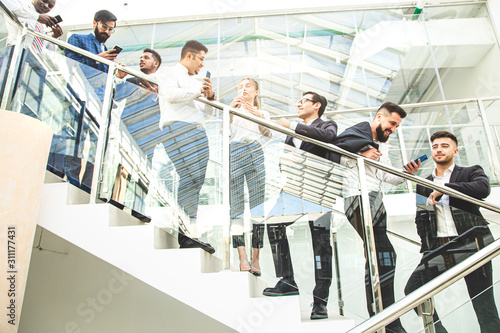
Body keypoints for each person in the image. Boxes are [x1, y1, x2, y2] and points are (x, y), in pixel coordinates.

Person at [329, 102, 420, 332]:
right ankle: (386, 318)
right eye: (391, 124)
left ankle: (380, 313)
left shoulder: (382, 144)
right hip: (357, 198)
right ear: (379, 117)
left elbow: (384, 174)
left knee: (379, 256)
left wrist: (405, 174)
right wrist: (361, 151)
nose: (393, 130)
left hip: (376, 199)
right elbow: (336, 151)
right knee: (384, 253)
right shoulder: (356, 133)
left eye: (396, 126)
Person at [404, 131, 500, 333]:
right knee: (413, 289)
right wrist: (427, 249)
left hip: (471, 243)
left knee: (483, 302)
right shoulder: (423, 184)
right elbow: (421, 217)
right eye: (435, 146)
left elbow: (483, 188)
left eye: (444, 146)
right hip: (441, 248)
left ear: (455, 151)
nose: (439, 149)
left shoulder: (470, 172)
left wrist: (445, 189)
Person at [262, 91, 338, 320]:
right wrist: (283, 160)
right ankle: (287, 280)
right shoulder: (290, 134)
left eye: (303, 100)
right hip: (293, 191)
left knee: (321, 247)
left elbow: (328, 138)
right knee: (273, 224)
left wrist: (294, 126)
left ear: (316, 105)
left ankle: (320, 303)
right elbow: (284, 160)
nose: (298, 103)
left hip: (319, 193)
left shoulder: (327, 125)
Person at [155, 40, 216, 253]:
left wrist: (210, 97)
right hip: (178, 129)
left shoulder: (198, 81)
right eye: (201, 59)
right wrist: (199, 91)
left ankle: (190, 231)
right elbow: (171, 95)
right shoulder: (168, 73)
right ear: (189, 56)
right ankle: (185, 234)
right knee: (189, 178)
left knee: (197, 181)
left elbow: (208, 116)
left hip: (198, 131)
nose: (202, 64)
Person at [228, 78, 271, 276]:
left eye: (247, 86)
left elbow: (268, 134)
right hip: (235, 151)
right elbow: (223, 133)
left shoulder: (263, 113)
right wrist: (229, 112)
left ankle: (256, 257)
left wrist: (258, 115)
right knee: (235, 207)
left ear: (256, 91)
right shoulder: (230, 110)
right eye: (240, 86)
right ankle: (241, 255)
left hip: (255, 150)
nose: (243, 89)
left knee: (257, 207)